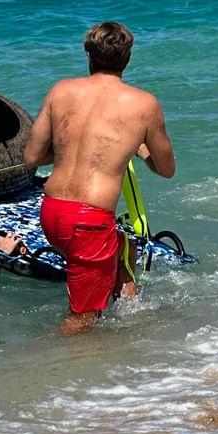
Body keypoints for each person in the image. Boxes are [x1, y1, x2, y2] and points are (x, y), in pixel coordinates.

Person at [23, 21, 176, 335]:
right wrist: (139, 149)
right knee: (81, 321)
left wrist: (69, 151)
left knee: (123, 248)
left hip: (52, 213)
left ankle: (129, 322)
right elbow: (166, 169)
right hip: (87, 223)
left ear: (89, 55)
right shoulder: (144, 104)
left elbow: (32, 158)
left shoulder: (60, 90)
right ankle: (51, 371)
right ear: (128, 58)